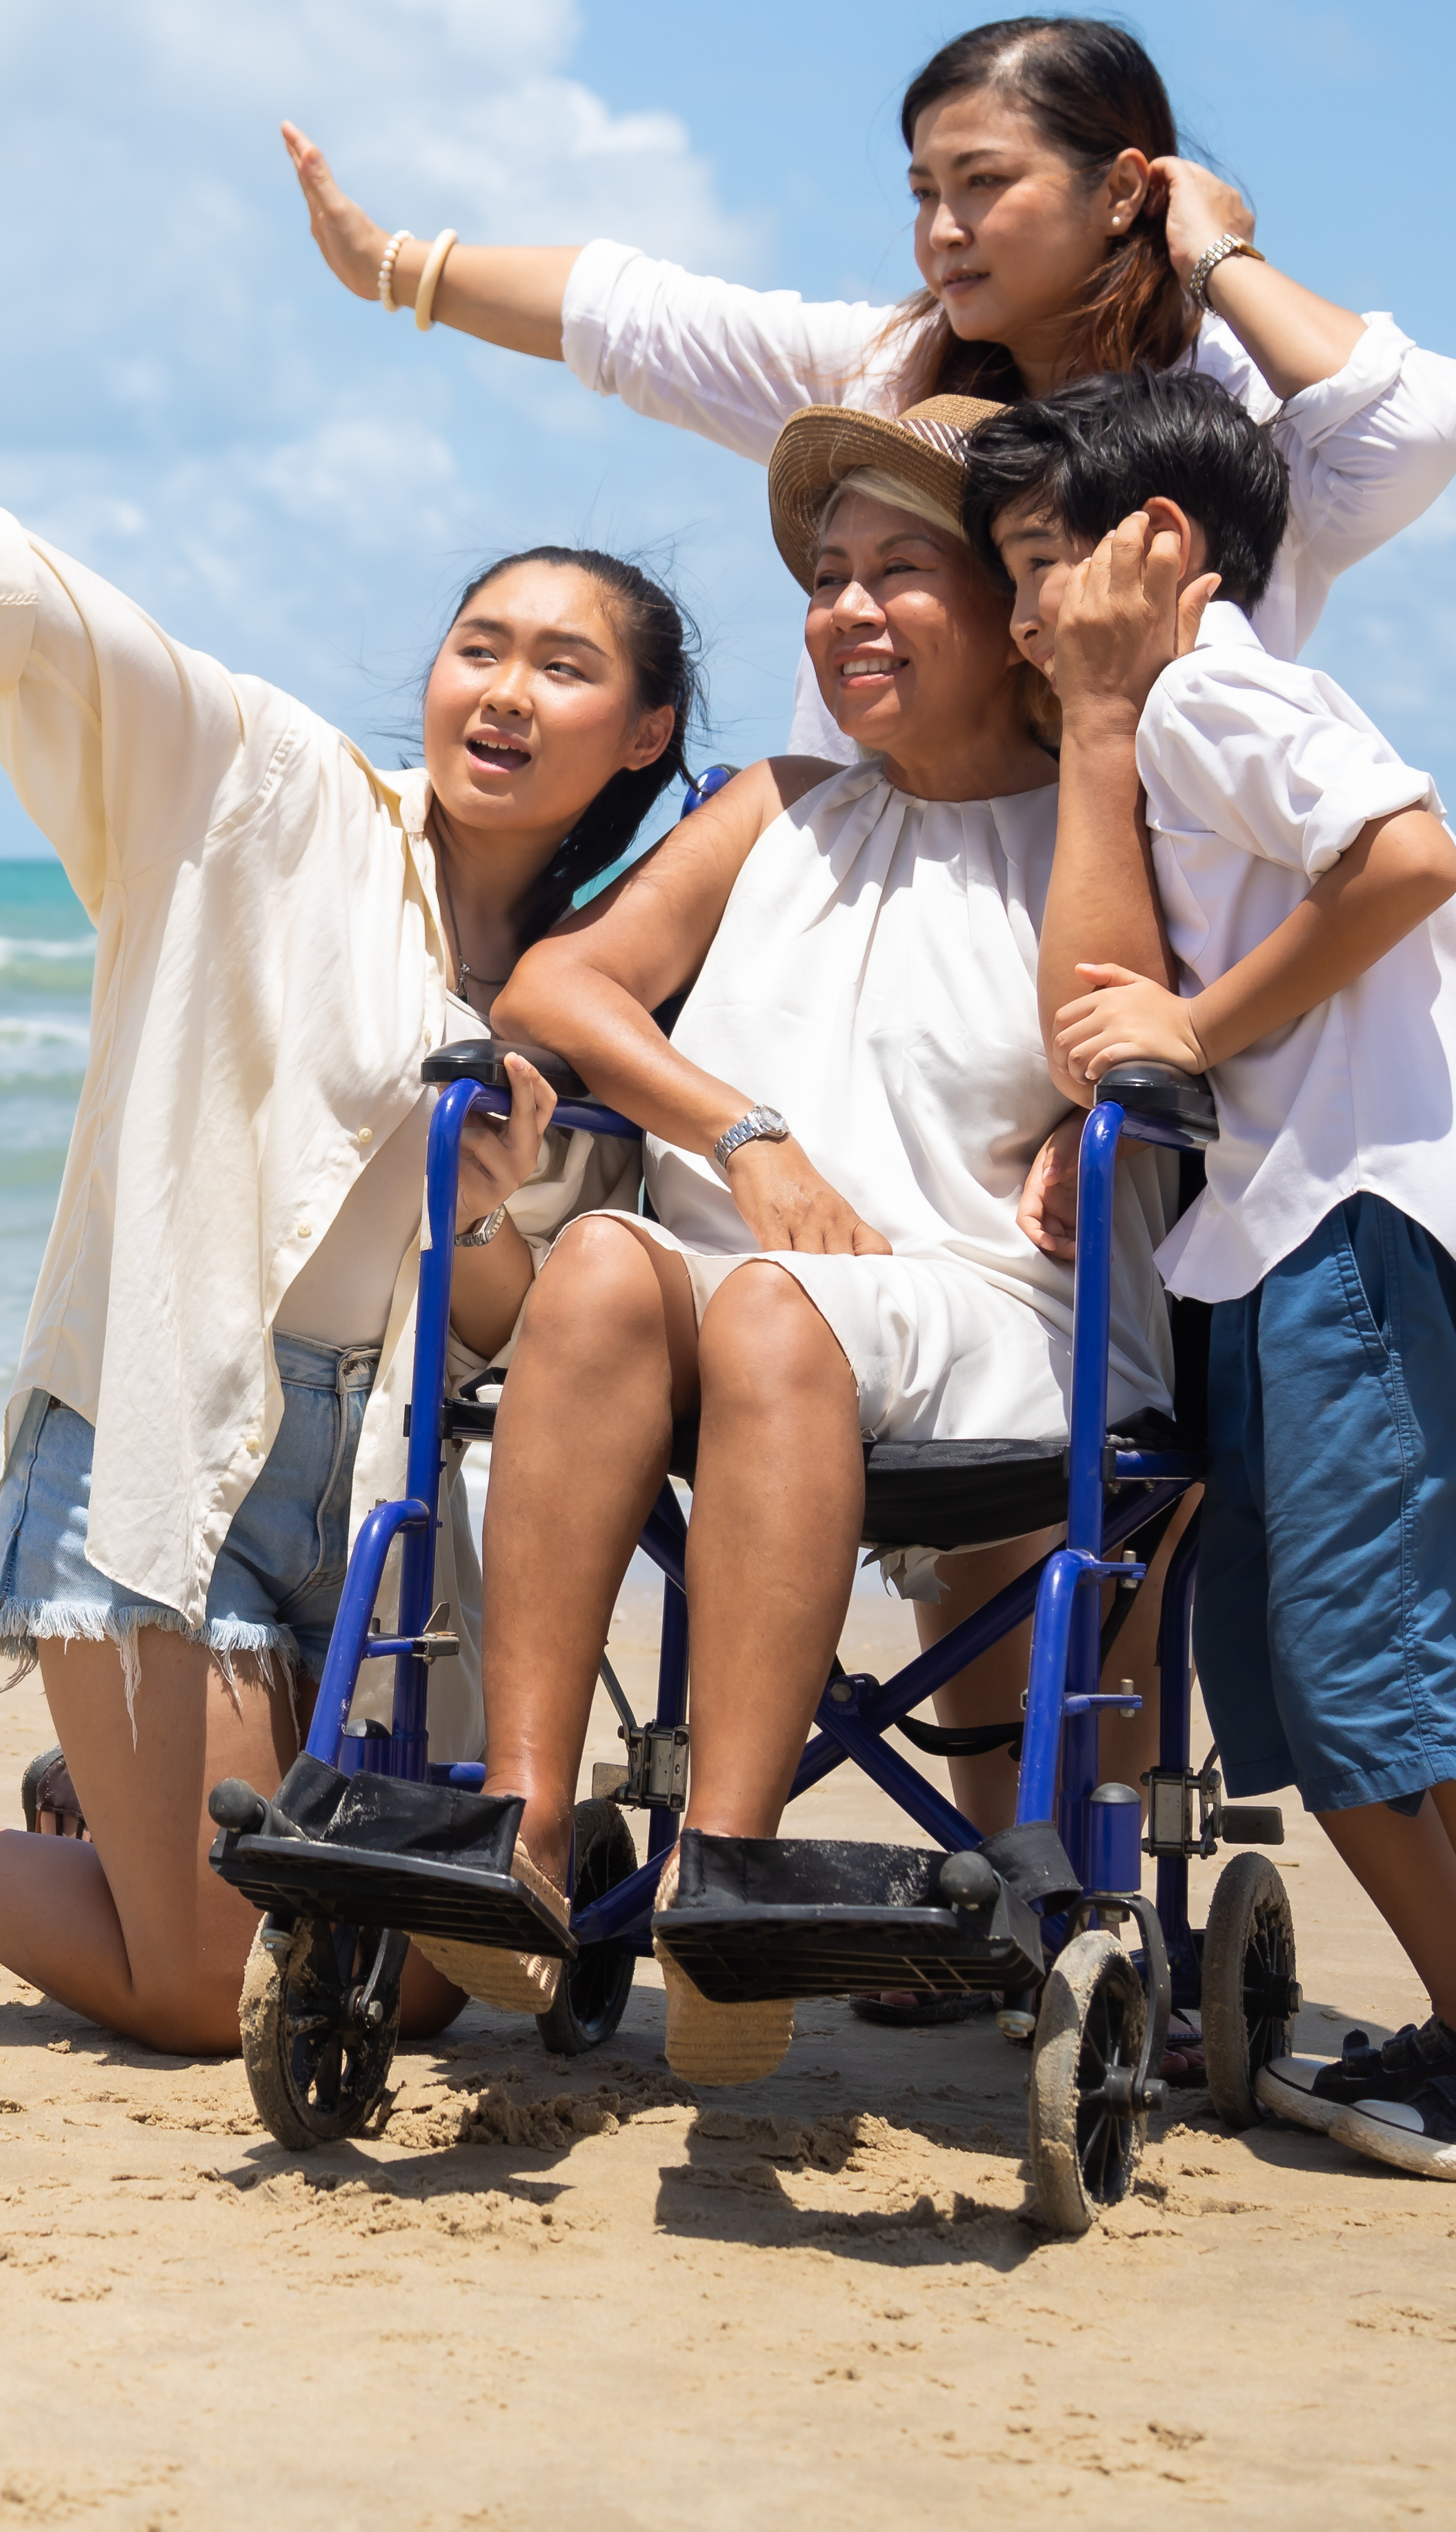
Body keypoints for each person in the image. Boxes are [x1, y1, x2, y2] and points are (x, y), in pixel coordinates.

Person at [0, 338, 701, 2059]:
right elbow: (91, 642)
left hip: (386, 1500)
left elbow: (503, 1328)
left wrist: (491, 1212)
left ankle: (106, 1812)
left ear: (643, 735)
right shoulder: (277, 793)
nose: (503, 690)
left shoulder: (613, 994)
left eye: (564, 670)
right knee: (214, 1995)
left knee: (418, 1982)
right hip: (165, 1434)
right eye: (478, 647)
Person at [973, 366, 1456, 2182]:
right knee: (1301, 1659)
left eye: (1040, 562)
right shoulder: (1164, 722)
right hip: (1297, 1230)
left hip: (1372, 1222)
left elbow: (1403, 856)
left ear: (1159, 544)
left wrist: (1195, 1025)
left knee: (1398, 1642)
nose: (1018, 611)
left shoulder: (1222, 687)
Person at [455, 397, 1175, 2085]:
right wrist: (737, 1128)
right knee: (607, 1264)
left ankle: (729, 1870)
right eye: (828, 575)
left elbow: (1118, 1032)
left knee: (777, 1307)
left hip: (992, 1305)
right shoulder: (778, 805)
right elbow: (555, 985)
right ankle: (527, 1834)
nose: (846, 607)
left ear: (1016, 606)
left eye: (899, 571)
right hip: (745, 1290)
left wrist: (1097, 732)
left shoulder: (1093, 815)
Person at [281, 12, 1456, 756]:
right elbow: (636, 314)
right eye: (920, 192)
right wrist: (394, 267)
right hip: (889, 873)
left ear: (1122, 191)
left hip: (1142, 926)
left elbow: (1411, 427)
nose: (943, 231)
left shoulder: (1234, 405)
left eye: (983, 182)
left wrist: (1215, 258)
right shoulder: (895, 372)